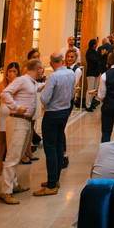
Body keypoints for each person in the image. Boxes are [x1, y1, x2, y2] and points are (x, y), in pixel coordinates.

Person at [0, 58, 43, 205]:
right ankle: (6, 191)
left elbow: (38, 87)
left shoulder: (32, 82)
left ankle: (14, 184)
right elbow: (5, 93)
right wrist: (16, 107)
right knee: (13, 156)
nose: (42, 70)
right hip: (17, 120)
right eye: (41, 68)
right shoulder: (22, 80)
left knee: (19, 154)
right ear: (36, 69)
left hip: (26, 122)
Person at [35, 53, 75, 197]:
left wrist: (42, 91)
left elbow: (45, 99)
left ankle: (52, 184)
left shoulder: (54, 77)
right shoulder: (70, 73)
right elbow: (71, 95)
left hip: (52, 113)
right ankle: (55, 179)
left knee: (50, 148)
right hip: (64, 111)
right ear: (63, 60)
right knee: (58, 145)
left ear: (51, 63)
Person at [0, 62, 20, 174]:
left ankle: (9, 166)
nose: (12, 73)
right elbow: (5, 95)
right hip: (4, 112)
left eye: (14, 71)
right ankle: (0, 163)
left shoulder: (19, 84)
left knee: (12, 140)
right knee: (2, 139)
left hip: (13, 112)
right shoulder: (2, 84)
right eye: (10, 71)